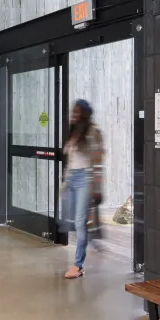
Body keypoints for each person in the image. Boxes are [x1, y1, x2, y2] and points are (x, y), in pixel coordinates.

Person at [61, 99, 104, 279]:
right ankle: (92, 238)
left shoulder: (93, 132)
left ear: (85, 113)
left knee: (79, 222)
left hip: (85, 178)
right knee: (72, 222)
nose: (74, 114)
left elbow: (98, 161)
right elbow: (69, 160)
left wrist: (97, 187)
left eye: (77, 111)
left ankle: (78, 266)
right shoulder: (73, 132)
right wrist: (64, 182)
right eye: (73, 111)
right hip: (72, 178)